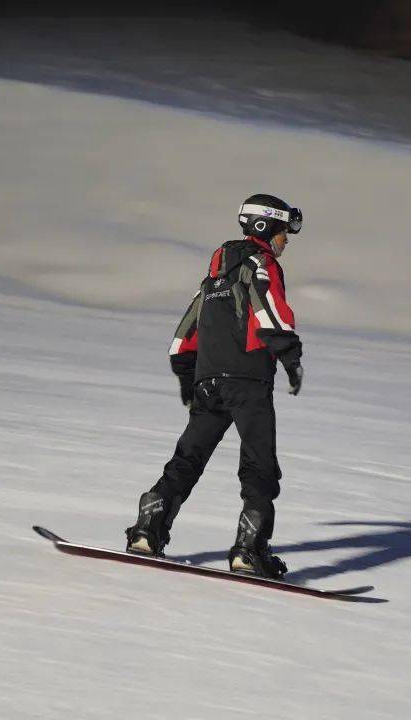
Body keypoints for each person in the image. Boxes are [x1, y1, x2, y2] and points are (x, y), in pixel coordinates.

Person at [125, 194, 305, 579]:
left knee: (188, 458)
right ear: (267, 227)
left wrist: (189, 377)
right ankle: (249, 552)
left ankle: (147, 530)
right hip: (248, 381)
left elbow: (182, 336)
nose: (286, 240)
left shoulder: (214, 277)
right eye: (284, 231)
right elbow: (269, 310)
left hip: (208, 383)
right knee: (259, 467)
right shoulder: (261, 264)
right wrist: (290, 356)